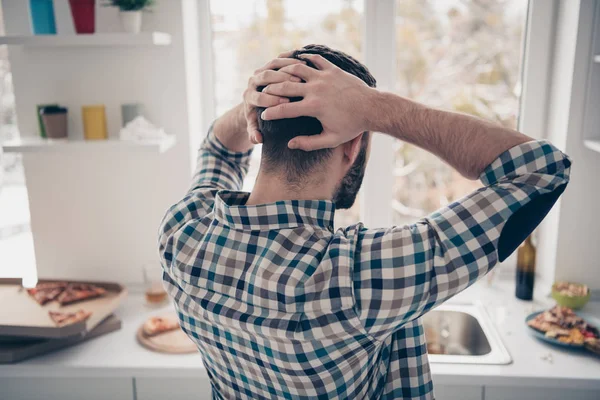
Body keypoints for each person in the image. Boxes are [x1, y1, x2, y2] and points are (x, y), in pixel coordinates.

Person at [158, 45, 571, 399]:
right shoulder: (357, 277)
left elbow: (218, 148)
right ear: (353, 144)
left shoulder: (184, 230)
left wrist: (259, 99)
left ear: (259, 130)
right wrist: (374, 107)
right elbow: (541, 171)